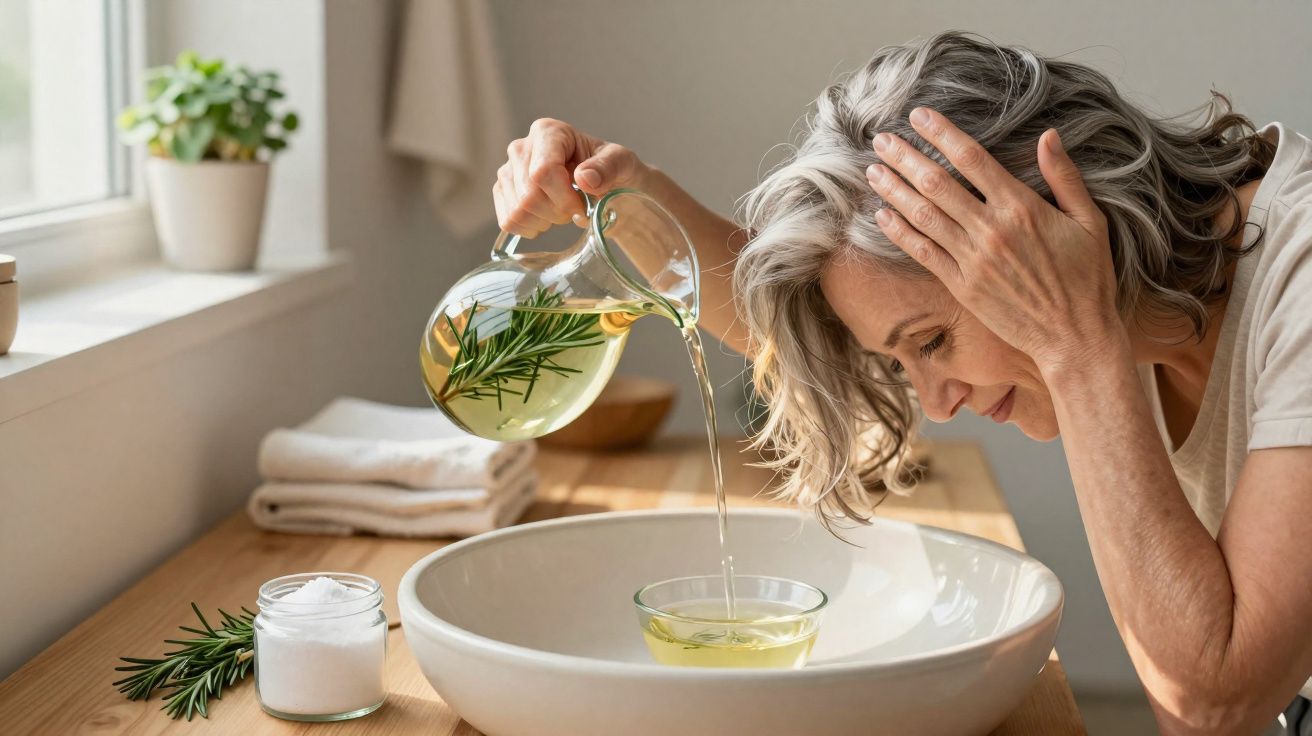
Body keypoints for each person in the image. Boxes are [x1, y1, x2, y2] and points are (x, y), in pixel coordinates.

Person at [492, 31, 1312, 735]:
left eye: (933, 342)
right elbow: (801, 332)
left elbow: (1212, 703)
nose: (938, 403)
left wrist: (1078, 345)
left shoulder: (1292, 286)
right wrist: (624, 199)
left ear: (1049, 228)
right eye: (901, 362)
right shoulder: (1143, 308)